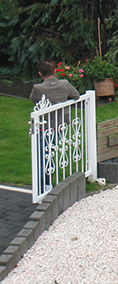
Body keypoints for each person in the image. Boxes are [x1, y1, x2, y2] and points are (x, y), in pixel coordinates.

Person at [30, 59, 80, 193]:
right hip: (60, 126)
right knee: (50, 154)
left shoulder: (38, 88)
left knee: (42, 157)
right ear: (55, 71)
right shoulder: (65, 84)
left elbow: (33, 99)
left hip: (44, 128)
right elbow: (76, 95)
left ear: (40, 74)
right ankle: (47, 183)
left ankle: (43, 187)